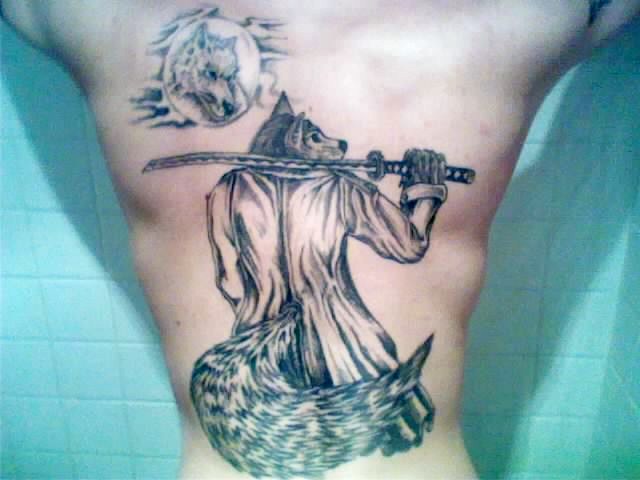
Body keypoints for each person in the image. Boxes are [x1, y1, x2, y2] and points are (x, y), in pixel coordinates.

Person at [2, 1, 638, 479]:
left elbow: (228, 278)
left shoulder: (100, 17)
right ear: (295, 139)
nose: (335, 146)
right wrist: (424, 189)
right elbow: (408, 247)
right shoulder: (516, 19)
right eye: (319, 139)